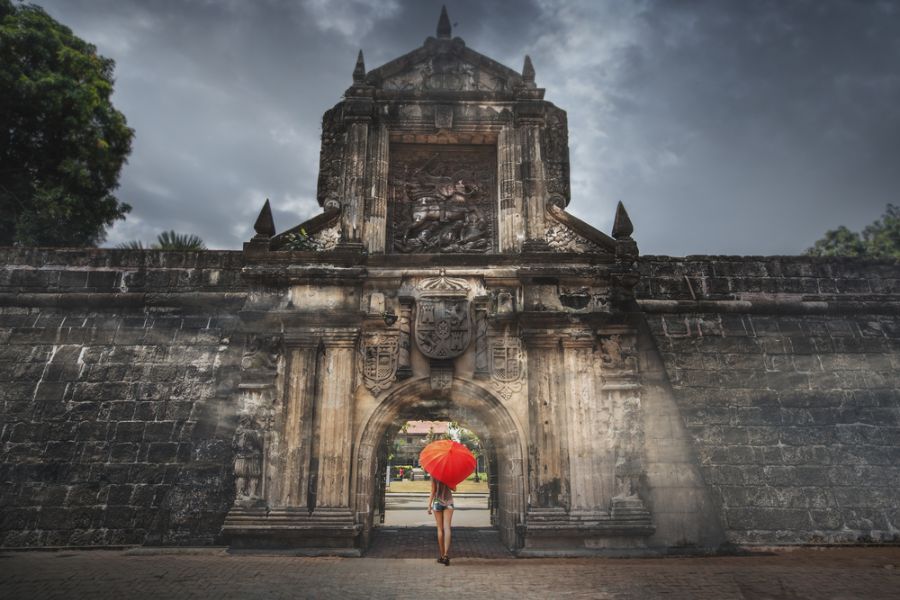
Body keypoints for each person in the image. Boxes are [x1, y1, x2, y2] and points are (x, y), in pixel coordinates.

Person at [427, 478, 454, 565]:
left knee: (439, 528)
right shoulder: (450, 473)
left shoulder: (434, 473)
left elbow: (433, 490)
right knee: (447, 528)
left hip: (437, 502)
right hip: (449, 502)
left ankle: (442, 556)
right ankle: (446, 555)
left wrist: (429, 505)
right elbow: (454, 488)